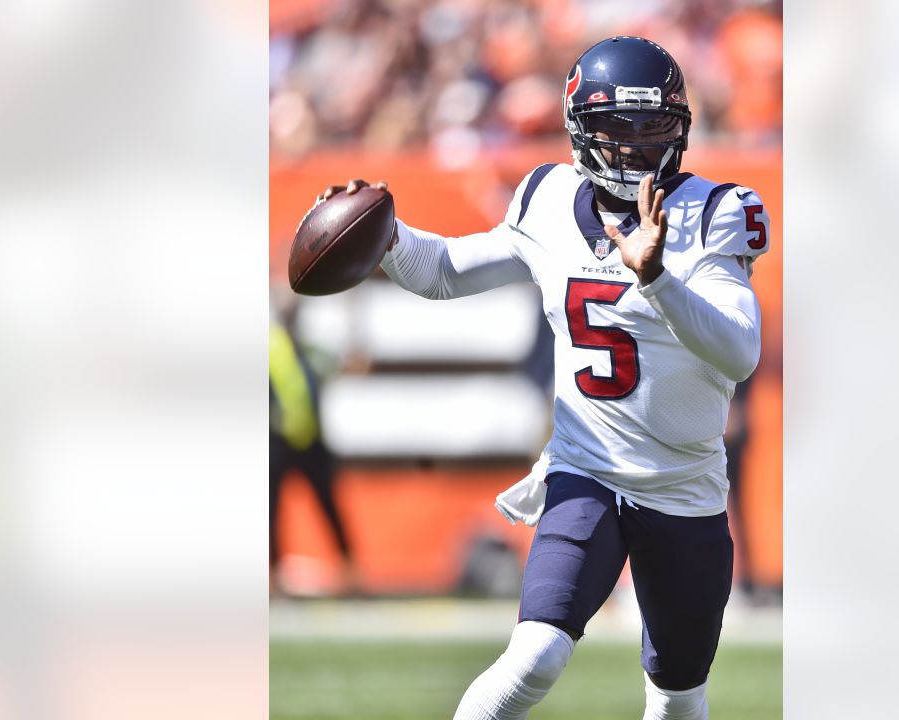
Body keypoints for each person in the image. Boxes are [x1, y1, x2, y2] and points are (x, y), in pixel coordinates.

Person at [317, 36, 770, 720]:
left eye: (655, 128)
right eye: (620, 129)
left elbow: (739, 351)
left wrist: (658, 280)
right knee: (535, 654)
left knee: (678, 699)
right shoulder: (549, 200)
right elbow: (443, 271)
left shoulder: (712, 213)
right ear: (584, 134)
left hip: (684, 490)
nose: (639, 147)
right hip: (586, 472)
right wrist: (385, 236)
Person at [269, 287, 355, 595]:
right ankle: (275, 578)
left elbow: (341, 366)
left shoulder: (309, 349)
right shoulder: (272, 349)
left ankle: (350, 572)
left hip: (312, 441)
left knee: (329, 506)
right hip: (278, 442)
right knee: (271, 512)